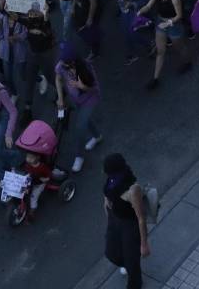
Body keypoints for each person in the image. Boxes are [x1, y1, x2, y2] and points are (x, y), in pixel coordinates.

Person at [102, 154, 150, 289]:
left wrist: (144, 244)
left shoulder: (132, 189)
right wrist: (109, 216)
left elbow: (141, 218)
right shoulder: (111, 180)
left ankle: (135, 284)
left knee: (132, 261)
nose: (104, 173)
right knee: (111, 253)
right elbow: (107, 196)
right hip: (114, 219)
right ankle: (126, 264)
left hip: (130, 225)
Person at [54, 43, 102, 173]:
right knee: (85, 120)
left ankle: (79, 156)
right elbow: (58, 79)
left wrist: (82, 87)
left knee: (80, 127)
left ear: (73, 61)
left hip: (89, 100)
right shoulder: (61, 65)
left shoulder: (86, 66)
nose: (62, 64)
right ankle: (97, 136)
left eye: (66, 62)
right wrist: (60, 97)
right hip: (75, 100)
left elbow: (95, 88)